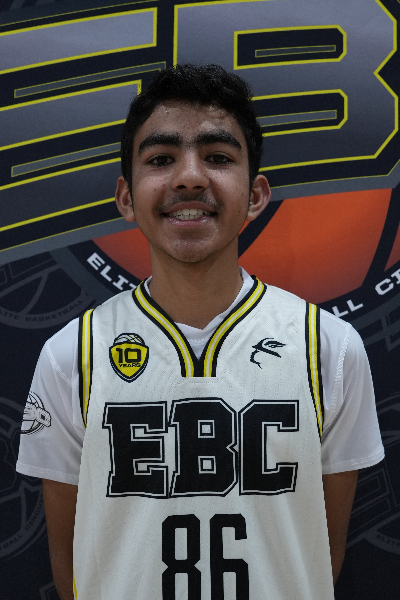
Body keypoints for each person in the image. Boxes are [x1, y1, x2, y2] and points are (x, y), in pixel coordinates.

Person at [17, 64, 384, 600]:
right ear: (126, 197)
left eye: (218, 157)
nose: (189, 178)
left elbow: (318, 555)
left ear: (255, 195)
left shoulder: (329, 348)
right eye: (161, 159)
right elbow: (74, 566)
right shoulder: (70, 356)